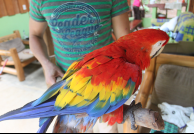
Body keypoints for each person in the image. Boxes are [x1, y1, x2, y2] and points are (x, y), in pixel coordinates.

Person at [29, 0, 130, 132]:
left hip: (106, 85)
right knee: (78, 129)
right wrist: (46, 65)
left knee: (108, 129)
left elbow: (125, 41)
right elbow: (34, 35)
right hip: (68, 86)